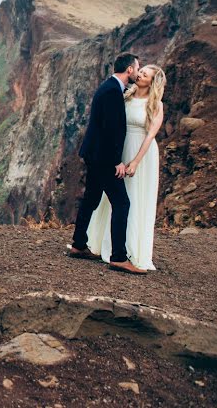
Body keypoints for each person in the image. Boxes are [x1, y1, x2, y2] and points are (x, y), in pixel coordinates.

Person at [68, 53, 145, 275]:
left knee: (91, 198)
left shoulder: (109, 87)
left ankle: (78, 244)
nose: (138, 73)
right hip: (103, 158)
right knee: (121, 203)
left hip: (95, 155)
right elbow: (111, 130)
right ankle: (119, 257)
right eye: (137, 68)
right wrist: (117, 162)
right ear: (129, 70)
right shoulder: (112, 91)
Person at [85, 65, 166, 270]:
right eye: (141, 71)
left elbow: (150, 136)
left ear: (152, 82)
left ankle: (131, 250)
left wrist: (136, 161)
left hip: (142, 154)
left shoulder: (155, 104)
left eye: (145, 75)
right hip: (120, 152)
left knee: (135, 198)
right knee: (115, 199)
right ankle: (111, 248)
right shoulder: (125, 96)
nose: (140, 75)